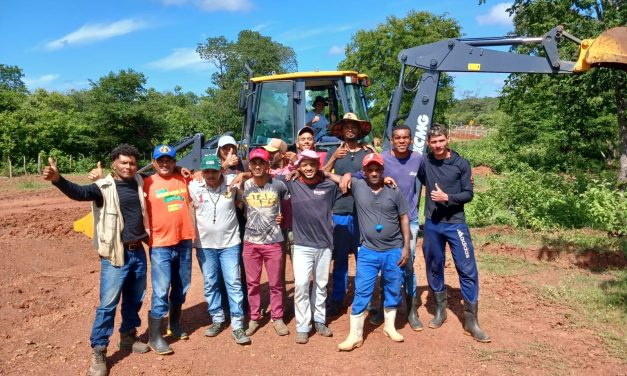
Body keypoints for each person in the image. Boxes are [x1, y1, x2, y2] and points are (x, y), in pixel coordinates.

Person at [43, 144, 150, 376]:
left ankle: (128, 337)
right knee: (108, 305)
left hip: (138, 252)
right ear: (114, 164)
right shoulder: (102, 187)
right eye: (123, 162)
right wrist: (58, 179)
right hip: (115, 255)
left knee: (135, 298)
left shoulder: (141, 182)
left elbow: (166, 170)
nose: (128, 166)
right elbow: (79, 193)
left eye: (132, 163)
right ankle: (99, 350)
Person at [418, 124, 491, 343]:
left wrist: (447, 198)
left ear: (447, 139)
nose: (438, 145)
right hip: (432, 223)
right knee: (434, 265)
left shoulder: (461, 164)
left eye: (441, 141)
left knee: (467, 268)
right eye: (433, 142)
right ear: (429, 144)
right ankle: (440, 310)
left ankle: (471, 320)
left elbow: (468, 194)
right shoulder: (425, 162)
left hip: (456, 224)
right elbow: (411, 171)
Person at [351, 125, 424, 330]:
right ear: (391, 140)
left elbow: (429, 178)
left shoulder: (418, 158)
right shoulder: (381, 158)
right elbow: (360, 175)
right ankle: (384, 311)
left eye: (405, 138)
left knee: (406, 265)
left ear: (411, 139)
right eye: (397, 138)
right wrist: (348, 176)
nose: (401, 141)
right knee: (386, 266)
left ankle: (412, 310)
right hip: (385, 219)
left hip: (409, 219)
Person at [338, 153, 411, 351]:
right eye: (369, 169)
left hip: (394, 250)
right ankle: (355, 336)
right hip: (368, 251)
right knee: (362, 289)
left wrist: (406, 247)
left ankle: (390, 327)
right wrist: (345, 174)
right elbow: (330, 176)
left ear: (382, 170)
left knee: (393, 288)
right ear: (364, 171)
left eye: (377, 169)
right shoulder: (359, 186)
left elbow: (404, 218)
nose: (373, 172)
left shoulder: (393, 190)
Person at [188, 154, 251, 345]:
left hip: (230, 244)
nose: (210, 175)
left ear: (221, 170)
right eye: (206, 171)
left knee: (233, 283)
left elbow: (259, 174)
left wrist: (243, 174)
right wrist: (187, 171)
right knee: (211, 283)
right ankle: (217, 319)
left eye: (214, 170)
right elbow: (173, 176)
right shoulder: (194, 185)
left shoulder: (232, 182)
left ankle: (238, 324)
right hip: (205, 245)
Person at [281, 150, 342, 344]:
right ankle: (302, 325)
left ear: (318, 165)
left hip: (324, 244)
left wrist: (328, 173)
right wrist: (241, 174)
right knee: (300, 285)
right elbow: (268, 175)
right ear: (299, 166)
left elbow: (345, 181)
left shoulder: (328, 185)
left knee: (321, 285)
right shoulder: (292, 183)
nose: (308, 168)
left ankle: (319, 320)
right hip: (301, 244)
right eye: (304, 165)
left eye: (312, 164)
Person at [143, 145, 195, 355]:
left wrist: (183, 168)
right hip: (160, 245)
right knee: (161, 289)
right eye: (160, 160)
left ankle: (174, 325)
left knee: (182, 287)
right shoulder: (146, 183)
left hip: (183, 241)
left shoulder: (185, 179)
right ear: (154, 162)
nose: (165, 164)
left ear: (174, 162)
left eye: (169, 160)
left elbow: (204, 177)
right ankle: (155, 337)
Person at [322, 112, 373, 316]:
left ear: (360, 130)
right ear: (341, 131)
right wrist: (334, 159)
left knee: (364, 258)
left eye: (354, 126)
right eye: (346, 126)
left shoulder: (367, 152)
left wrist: (351, 175)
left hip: (364, 212)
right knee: (341, 258)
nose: (350, 129)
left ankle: (365, 299)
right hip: (341, 211)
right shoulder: (335, 152)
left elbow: (375, 174)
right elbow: (320, 173)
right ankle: (337, 299)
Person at [240, 148, 291, 337]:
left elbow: (288, 205)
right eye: (254, 163)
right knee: (252, 283)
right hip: (251, 242)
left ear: (268, 165)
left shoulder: (279, 185)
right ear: (250, 166)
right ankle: (254, 317)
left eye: (262, 162)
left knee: (276, 283)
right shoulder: (244, 185)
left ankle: (277, 317)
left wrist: (283, 218)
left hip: (273, 242)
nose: (258, 166)